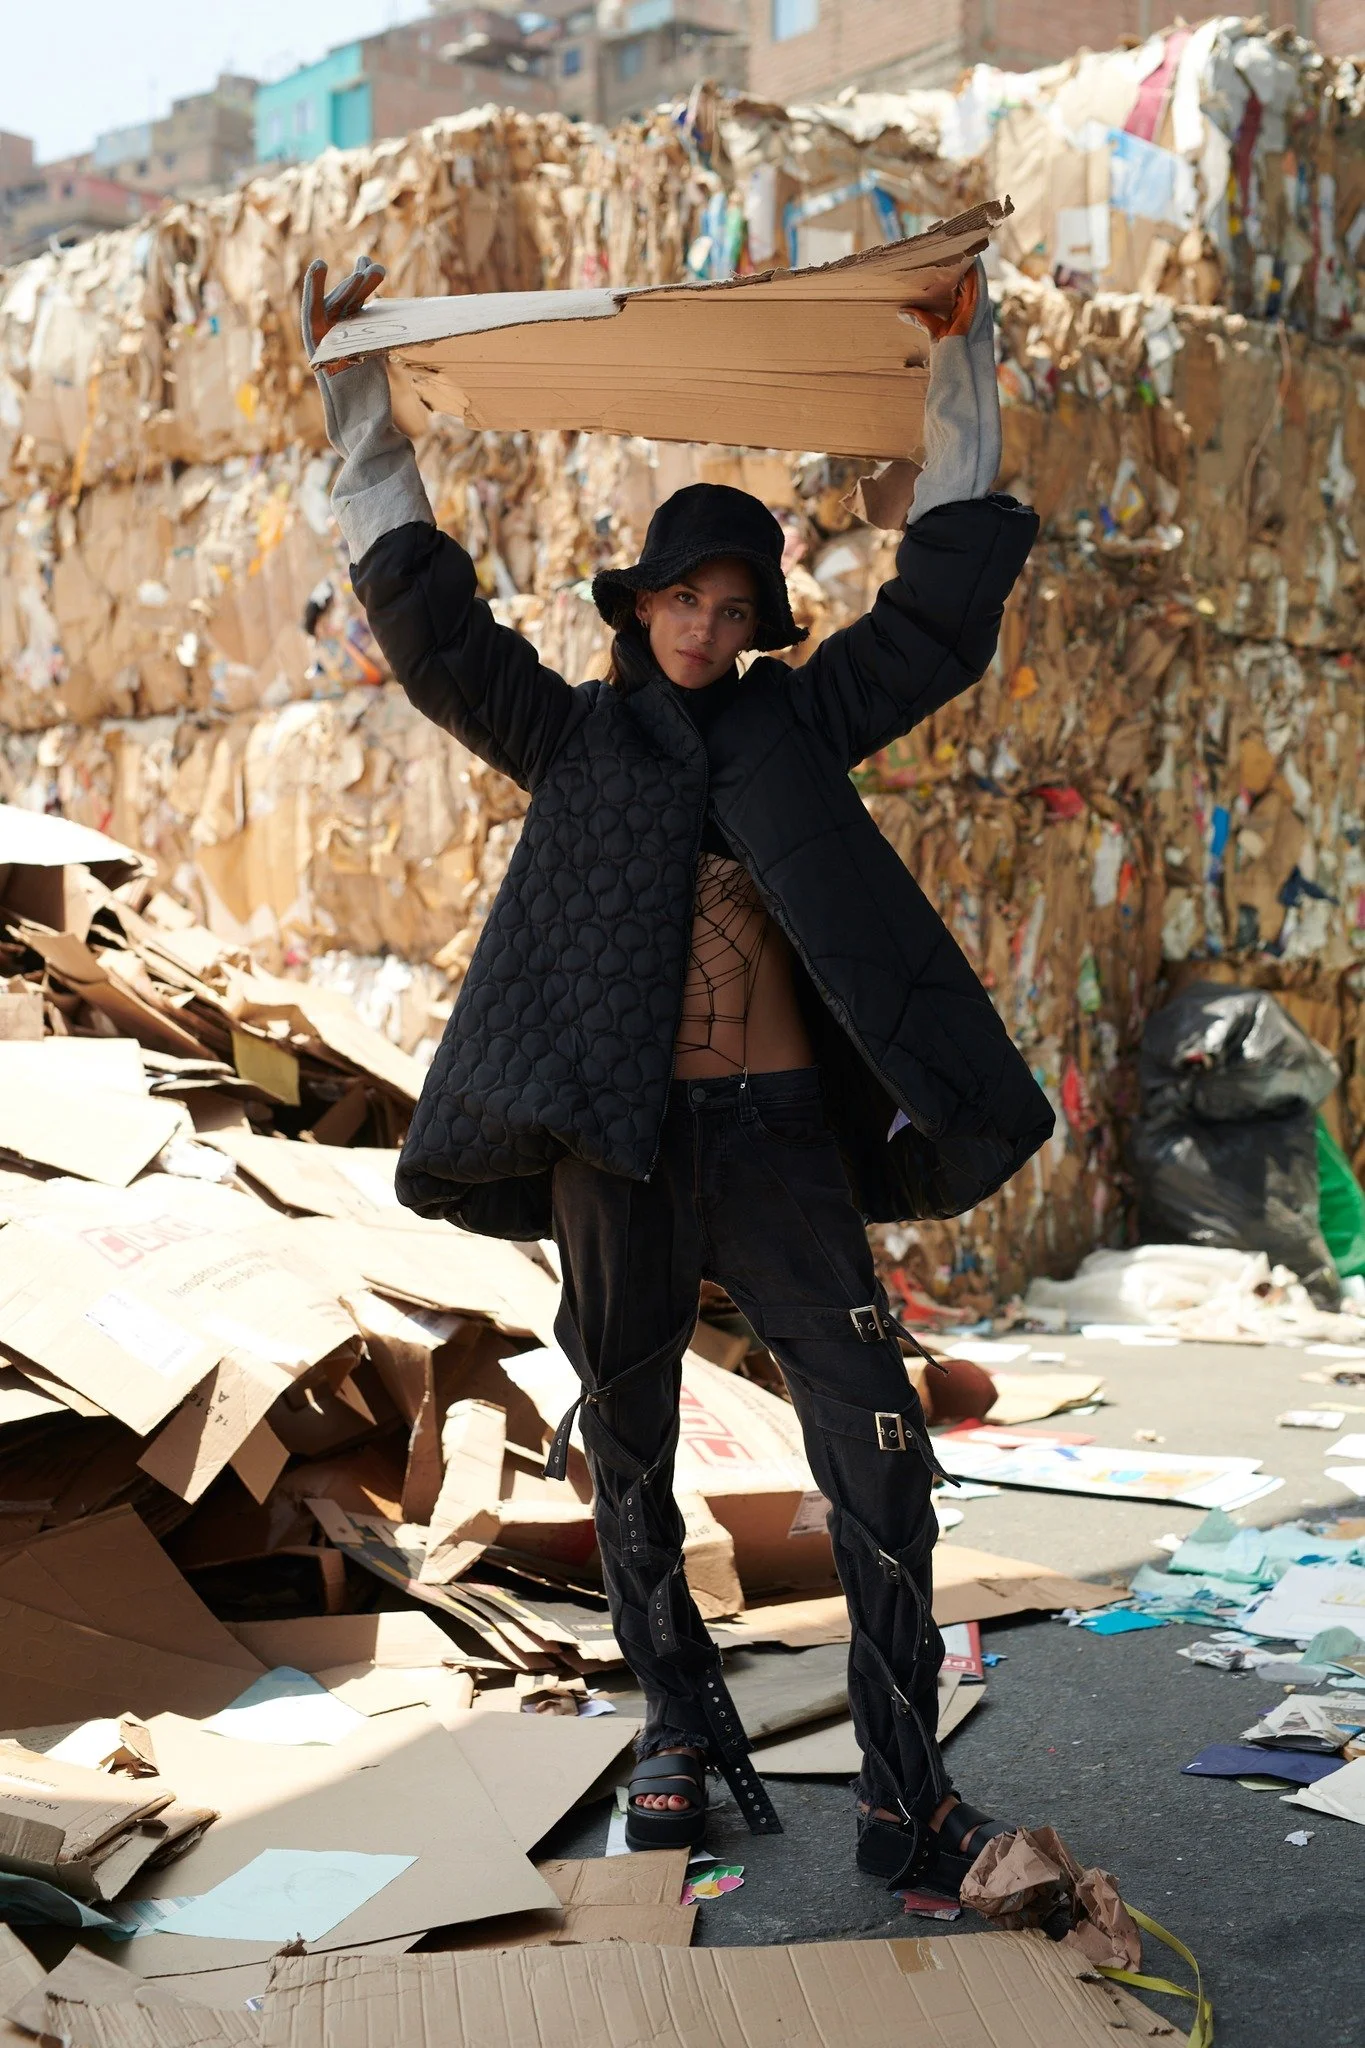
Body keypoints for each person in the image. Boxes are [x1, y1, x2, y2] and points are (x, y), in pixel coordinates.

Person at [302, 249, 1051, 1893]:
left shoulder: (799, 727)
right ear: (636, 607)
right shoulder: (571, 737)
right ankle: (674, 1736)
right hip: (619, 1146)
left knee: (879, 1449)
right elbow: (434, 627)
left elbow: (936, 619)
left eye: (734, 608)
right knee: (627, 1441)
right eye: (683, 601)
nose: (708, 628)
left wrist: (960, 369)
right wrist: (357, 397)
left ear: (760, 624)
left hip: (782, 1142)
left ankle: (906, 1794)